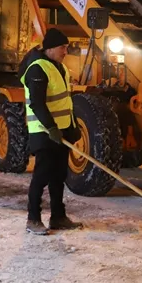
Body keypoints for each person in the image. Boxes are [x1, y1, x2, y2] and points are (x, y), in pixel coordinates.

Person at [21, 28, 83, 235]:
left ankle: (58, 216)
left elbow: (66, 102)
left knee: (59, 174)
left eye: (66, 47)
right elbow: (37, 104)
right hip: (43, 131)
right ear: (50, 48)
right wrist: (51, 128)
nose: (66, 51)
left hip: (60, 130)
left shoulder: (61, 68)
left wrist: (71, 127)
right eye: (62, 47)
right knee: (41, 175)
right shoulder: (37, 69)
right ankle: (33, 219)